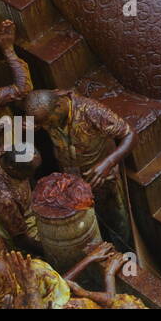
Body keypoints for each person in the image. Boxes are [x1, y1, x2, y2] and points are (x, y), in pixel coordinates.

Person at [24, 89, 136, 250]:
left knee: (116, 221)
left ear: (58, 106)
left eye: (47, 122)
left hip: (101, 178)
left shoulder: (91, 111)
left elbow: (130, 135)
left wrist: (108, 163)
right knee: (89, 221)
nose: (46, 126)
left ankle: (125, 254)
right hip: (72, 180)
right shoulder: (45, 111)